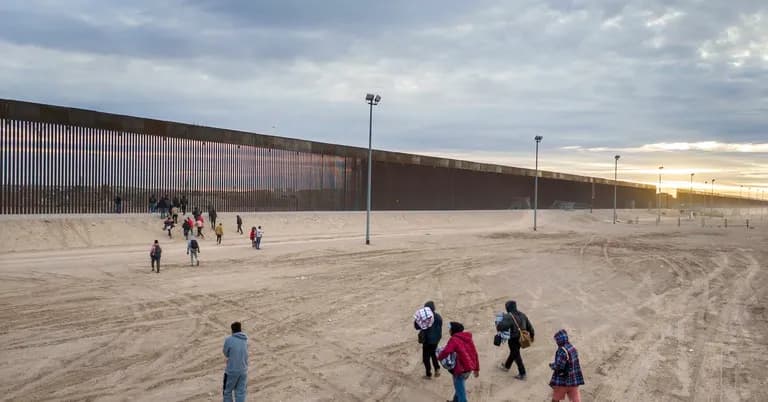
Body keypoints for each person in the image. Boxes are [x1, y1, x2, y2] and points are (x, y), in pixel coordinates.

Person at [437, 322, 479, 402]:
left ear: (453, 330)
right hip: (469, 368)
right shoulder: (468, 339)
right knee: (459, 387)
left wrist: (439, 357)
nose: (449, 331)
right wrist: (476, 368)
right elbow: (475, 353)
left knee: (461, 395)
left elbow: (446, 351)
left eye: (450, 329)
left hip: (460, 370)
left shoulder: (454, 339)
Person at [496, 300, 535, 380]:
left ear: (508, 308)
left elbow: (500, 327)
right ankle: (507, 366)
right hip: (522, 338)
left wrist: (498, 322)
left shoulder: (508, 316)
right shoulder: (522, 315)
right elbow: (529, 327)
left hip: (513, 338)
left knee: (516, 354)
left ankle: (522, 373)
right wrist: (532, 335)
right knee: (514, 352)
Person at [549, 329, 584, 402]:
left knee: (555, 399)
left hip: (563, 381)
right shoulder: (572, 348)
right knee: (575, 398)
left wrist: (552, 365)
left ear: (559, 341)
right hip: (573, 380)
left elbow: (559, 366)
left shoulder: (562, 351)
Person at [414, 301, 442, 379]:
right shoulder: (438, 316)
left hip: (427, 340)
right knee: (433, 354)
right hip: (436, 339)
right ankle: (437, 368)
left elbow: (416, 326)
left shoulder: (424, 317)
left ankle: (428, 374)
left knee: (426, 357)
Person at [223, 321, 249, 402]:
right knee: (240, 392)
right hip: (243, 370)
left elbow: (225, 353)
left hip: (232, 371)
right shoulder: (245, 339)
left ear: (232, 330)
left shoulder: (229, 340)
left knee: (227, 391)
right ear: (240, 329)